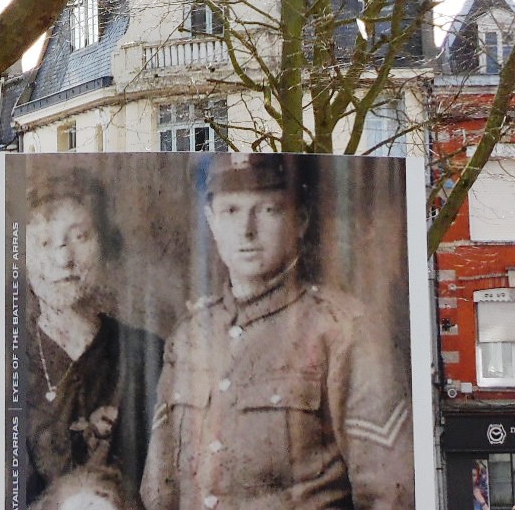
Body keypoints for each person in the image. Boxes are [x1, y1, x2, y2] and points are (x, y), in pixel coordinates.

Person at [142, 154, 411, 510]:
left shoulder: (342, 330)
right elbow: (158, 491)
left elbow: (390, 494)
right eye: (231, 211)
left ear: (300, 220)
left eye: (268, 210)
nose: (247, 230)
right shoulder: (189, 336)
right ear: (211, 221)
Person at [22, 168, 166, 510]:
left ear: (105, 244)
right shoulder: (5, 353)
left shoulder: (148, 354)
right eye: (44, 242)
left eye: (80, 237)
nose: (63, 259)